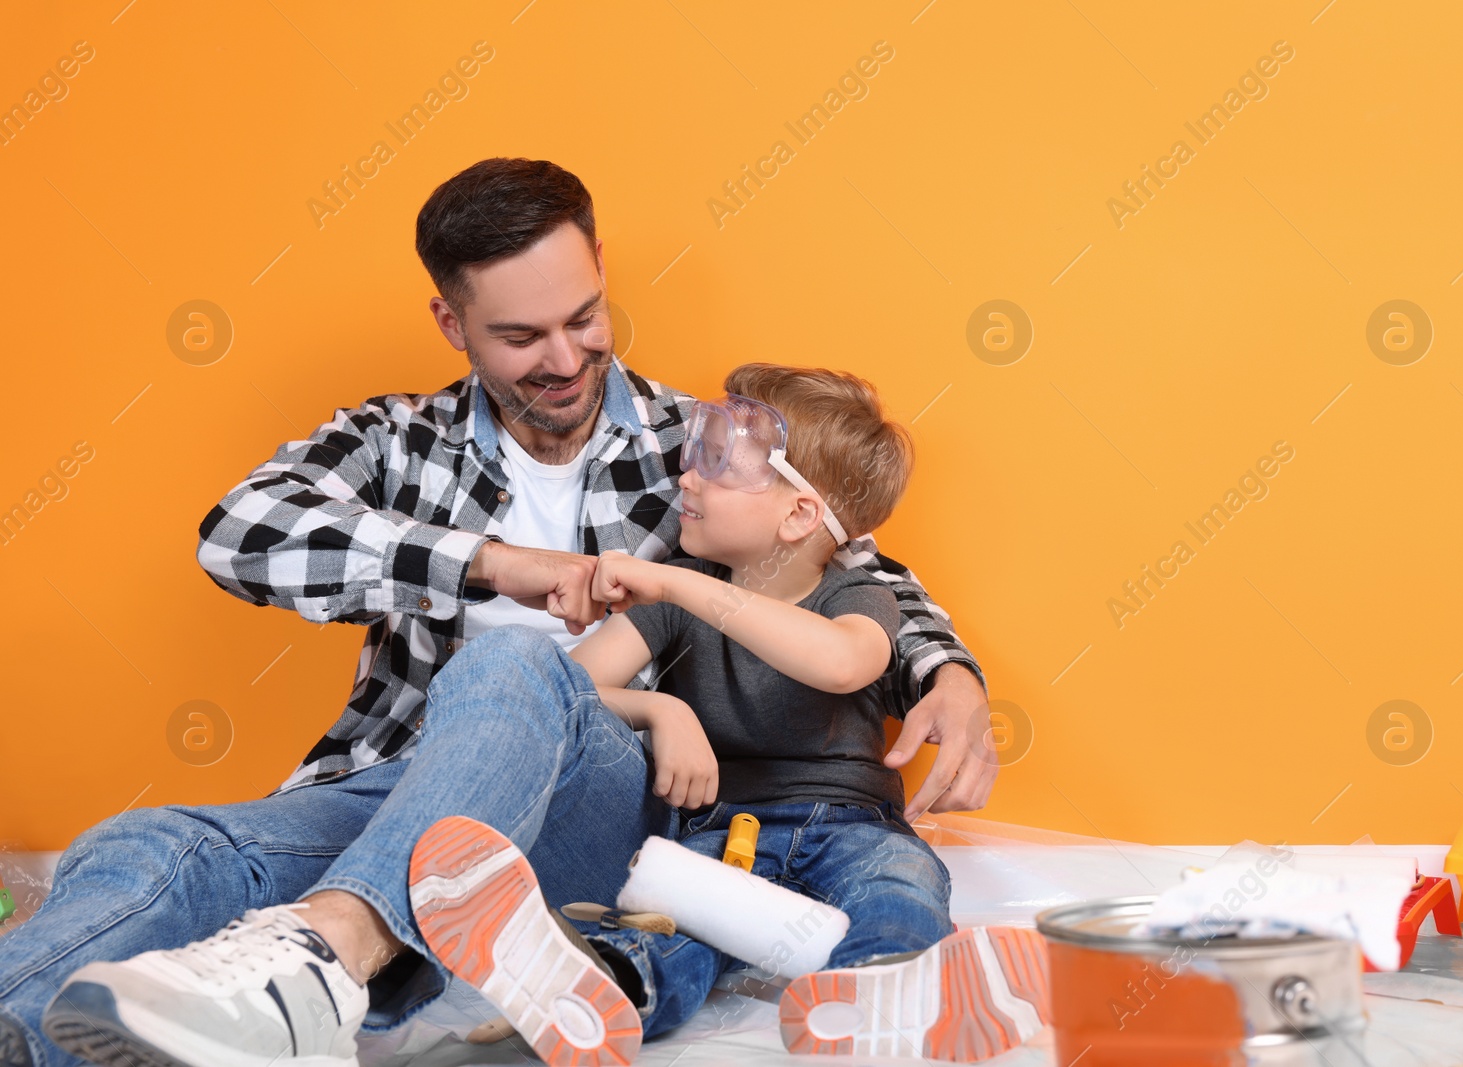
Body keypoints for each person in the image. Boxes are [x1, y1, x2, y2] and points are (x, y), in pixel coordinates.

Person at [0, 158, 994, 1067]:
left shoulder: (689, 447)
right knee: (151, 845)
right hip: (411, 785)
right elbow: (240, 532)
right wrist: (490, 563)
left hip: (604, 803)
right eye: (520, 336)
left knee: (516, 665)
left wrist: (948, 674)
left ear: (600, 270)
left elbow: (852, 564)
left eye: (584, 316)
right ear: (451, 321)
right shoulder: (395, 441)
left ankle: (324, 965)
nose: (563, 356)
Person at [406, 363, 1050, 1063]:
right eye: (694, 454)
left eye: (718, 463)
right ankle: (601, 992)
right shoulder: (673, 601)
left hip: (851, 826)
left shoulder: (859, 596)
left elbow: (841, 661)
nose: (687, 477)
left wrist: (676, 582)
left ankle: (881, 992)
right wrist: (659, 709)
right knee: (672, 925)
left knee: (904, 881)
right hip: (721, 830)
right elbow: (569, 691)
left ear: (799, 514)